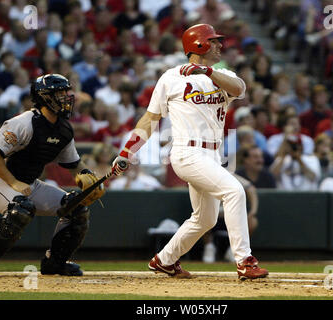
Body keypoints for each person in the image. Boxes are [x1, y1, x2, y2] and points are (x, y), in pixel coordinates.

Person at [112, 24, 268, 280]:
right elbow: (150, 119)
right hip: (187, 152)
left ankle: (164, 259)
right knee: (234, 191)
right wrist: (128, 151)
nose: (219, 45)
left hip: (213, 155)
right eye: (214, 41)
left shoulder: (221, 74)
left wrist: (207, 71)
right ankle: (244, 261)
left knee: (205, 219)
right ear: (199, 44)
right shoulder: (171, 77)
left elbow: (240, 89)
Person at [0, 74, 105, 276]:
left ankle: (55, 263)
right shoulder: (25, 122)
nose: (66, 97)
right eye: (60, 93)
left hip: (27, 183)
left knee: (77, 208)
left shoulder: (63, 129)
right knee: (20, 210)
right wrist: (12, 182)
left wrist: (89, 177)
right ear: (45, 97)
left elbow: (74, 164)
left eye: (66, 92)